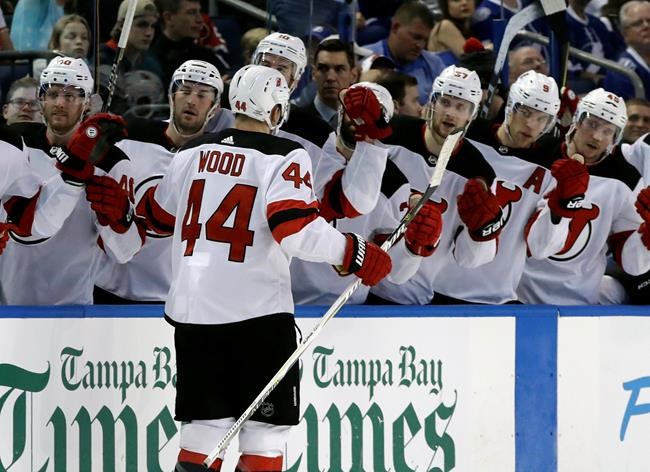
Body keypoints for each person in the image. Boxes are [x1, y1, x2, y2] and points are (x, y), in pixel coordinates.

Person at [136, 64, 392, 471]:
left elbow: (156, 216)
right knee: (265, 435)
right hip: (256, 316)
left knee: (203, 431)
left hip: (193, 314)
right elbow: (294, 230)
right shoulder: (284, 154)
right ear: (275, 110)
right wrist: (353, 251)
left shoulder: (190, 152)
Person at [432, 70, 588, 304]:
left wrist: (563, 208)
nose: (531, 124)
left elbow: (541, 248)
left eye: (542, 119)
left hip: (496, 297)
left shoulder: (551, 167)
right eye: (525, 112)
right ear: (510, 107)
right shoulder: (467, 137)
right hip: (434, 283)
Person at [0, 56, 143, 305]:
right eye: (52, 94)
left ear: (87, 102)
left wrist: (120, 219)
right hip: (8, 305)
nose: (60, 103)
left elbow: (126, 253)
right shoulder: (16, 144)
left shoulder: (112, 162)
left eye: (71, 95)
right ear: (41, 98)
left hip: (73, 308)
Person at [291, 81, 441, 304]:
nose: (361, 121)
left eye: (373, 116)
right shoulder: (307, 153)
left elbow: (396, 274)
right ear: (341, 113)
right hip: (287, 298)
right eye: (356, 113)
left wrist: (414, 249)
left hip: (348, 309)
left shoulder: (394, 185)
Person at [368, 65, 501, 305]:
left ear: (471, 115)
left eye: (460, 106)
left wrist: (480, 232)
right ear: (432, 102)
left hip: (411, 298)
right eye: (445, 102)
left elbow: (469, 259)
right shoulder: (392, 134)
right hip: (359, 281)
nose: (450, 113)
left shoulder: (478, 173)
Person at [94, 60, 223, 303]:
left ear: (214, 108)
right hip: (109, 287)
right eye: (185, 91)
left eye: (202, 95)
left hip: (171, 297)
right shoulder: (128, 135)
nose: (191, 100)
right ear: (171, 96)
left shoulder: (217, 157)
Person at [518, 88, 650, 304]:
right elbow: (538, 247)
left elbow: (633, 265)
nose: (597, 136)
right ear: (577, 121)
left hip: (579, 302)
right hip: (518, 294)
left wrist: (646, 237)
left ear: (615, 138)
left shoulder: (626, 179)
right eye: (592, 124)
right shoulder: (539, 153)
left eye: (608, 131)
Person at [251, 32, 332, 153]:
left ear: (294, 80)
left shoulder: (316, 132)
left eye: (280, 69)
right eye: (265, 65)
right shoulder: (225, 105)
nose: (270, 74)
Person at [365, 1, 446, 104]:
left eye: (425, 40)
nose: (420, 45)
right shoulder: (364, 58)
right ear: (395, 27)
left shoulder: (435, 65)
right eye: (416, 37)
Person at [149, 0, 225, 85]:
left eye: (199, 12)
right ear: (168, 18)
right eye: (191, 12)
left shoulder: (205, 55)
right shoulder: (152, 60)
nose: (200, 20)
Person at [299, 37, 359, 131]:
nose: (330, 77)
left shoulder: (365, 123)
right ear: (313, 73)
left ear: (354, 75)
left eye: (339, 69)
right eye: (323, 69)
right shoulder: (295, 123)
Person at [98, 0, 163, 81]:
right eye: (141, 25)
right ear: (122, 25)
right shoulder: (102, 59)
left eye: (153, 26)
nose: (149, 33)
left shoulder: (150, 64)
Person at [603, 0, 650, 100]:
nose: (646, 26)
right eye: (638, 23)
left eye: (649, 21)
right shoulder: (620, 72)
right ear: (624, 33)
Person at [427, 0, 477, 65]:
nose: (464, 2)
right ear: (445, 5)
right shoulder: (445, 26)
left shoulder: (473, 26)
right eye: (457, 0)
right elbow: (473, 60)